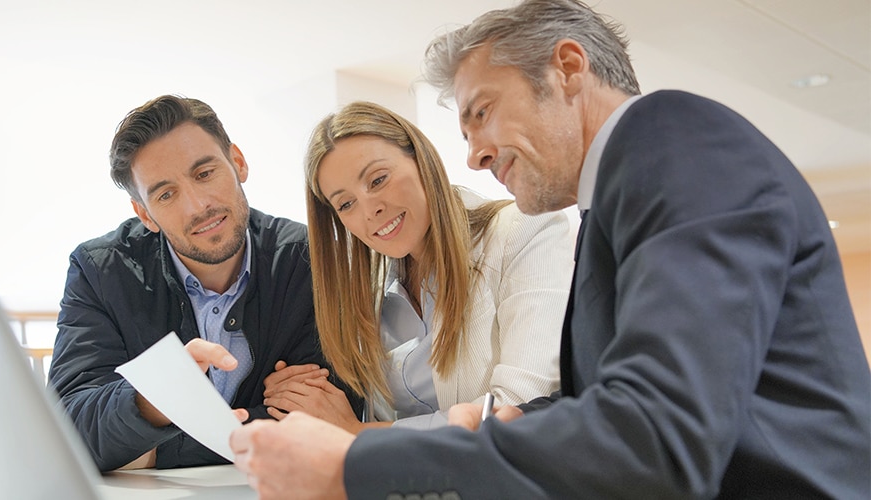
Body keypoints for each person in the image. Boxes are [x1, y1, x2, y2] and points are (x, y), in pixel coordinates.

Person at [228, 0, 871, 498]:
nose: (474, 154)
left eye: (482, 112)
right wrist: (513, 426)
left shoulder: (675, 138)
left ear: (567, 68)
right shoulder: (610, 203)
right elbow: (613, 404)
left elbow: (659, 435)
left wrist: (357, 461)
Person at [48, 94, 359, 472]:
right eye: (166, 194)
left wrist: (148, 452)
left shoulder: (307, 258)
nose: (197, 206)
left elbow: (328, 413)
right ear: (144, 213)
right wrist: (154, 398)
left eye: (204, 173)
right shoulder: (100, 271)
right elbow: (67, 430)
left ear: (238, 163)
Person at [261, 101, 575, 433]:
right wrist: (300, 391)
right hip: (405, 483)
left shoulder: (523, 231)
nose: (370, 211)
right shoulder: (370, 287)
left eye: (378, 180)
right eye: (346, 203)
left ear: (420, 159)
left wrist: (356, 432)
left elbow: (518, 408)